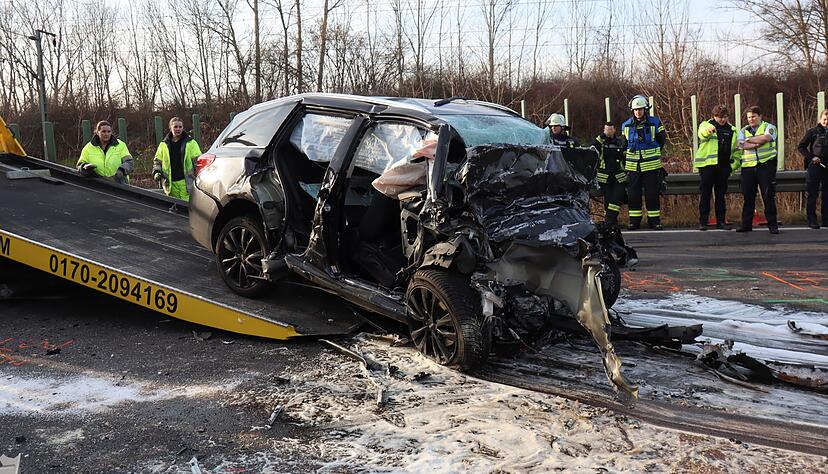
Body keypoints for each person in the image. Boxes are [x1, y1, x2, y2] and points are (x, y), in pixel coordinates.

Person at [621, 95, 666, 230]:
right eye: (635, 110)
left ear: (645, 109)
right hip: (633, 166)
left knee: (652, 194)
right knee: (633, 195)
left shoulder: (656, 123)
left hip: (651, 166)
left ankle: (654, 221)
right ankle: (634, 221)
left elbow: (661, 141)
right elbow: (624, 145)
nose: (638, 112)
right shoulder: (626, 125)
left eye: (640, 109)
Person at [694, 105, 742, 230]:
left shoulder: (733, 130)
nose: (722, 120)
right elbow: (702, 134)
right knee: (705, 194)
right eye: (719, 117)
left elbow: (737, 151)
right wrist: (709, 131)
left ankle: (721, 221)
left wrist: (732, 166)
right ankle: (703, 222)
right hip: (707, 166)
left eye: (724, 117)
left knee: (720, 195)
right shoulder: (706, 125)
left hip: (724, 167)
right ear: (714, 116)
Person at [736, 105, 779, 234]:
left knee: (768, 195)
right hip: (748, 167)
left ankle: (772, 225)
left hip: (766, 165)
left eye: (754, 116)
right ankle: (746, 224)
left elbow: (766, 138)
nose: (751, 119)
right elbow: (740, 144)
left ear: (760, 116)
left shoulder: (769, 127)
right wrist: (756, 142)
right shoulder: (743, 130)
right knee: (748, 197)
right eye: (749, 117)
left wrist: (749, 141)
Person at [153, 117, 202, 200]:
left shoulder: (191, 143)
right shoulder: (163, 145)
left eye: (180, 127)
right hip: (170, 185)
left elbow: (198, 162)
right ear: (170, 128)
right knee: (174, 210)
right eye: (175, 127)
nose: (178, 129)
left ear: (183, 128)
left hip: (187, 183)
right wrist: (157, 171)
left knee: (187, 209)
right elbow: (157, 161)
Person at [797, 109, 828, 229]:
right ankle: (812, 220)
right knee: (812, 194)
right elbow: (801, 147)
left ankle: (826, 220)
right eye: (824, 119)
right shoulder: (813, 132)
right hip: (815, 164)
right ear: (820, 119)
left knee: (827, 194)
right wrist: (812, 157)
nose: (826, 122)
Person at [592, 122, 627, 224]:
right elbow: (592, 149)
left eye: (611, 129)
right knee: (609, 198)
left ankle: (609, 220)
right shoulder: (601, 142)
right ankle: (611, 221)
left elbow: (625, 157)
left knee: (618, 197)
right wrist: (600, 137)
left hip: (619, 176)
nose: (609, 132)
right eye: (607, 130)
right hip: (605, 177)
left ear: (614, 130)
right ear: (604, 130)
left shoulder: (620, 142)